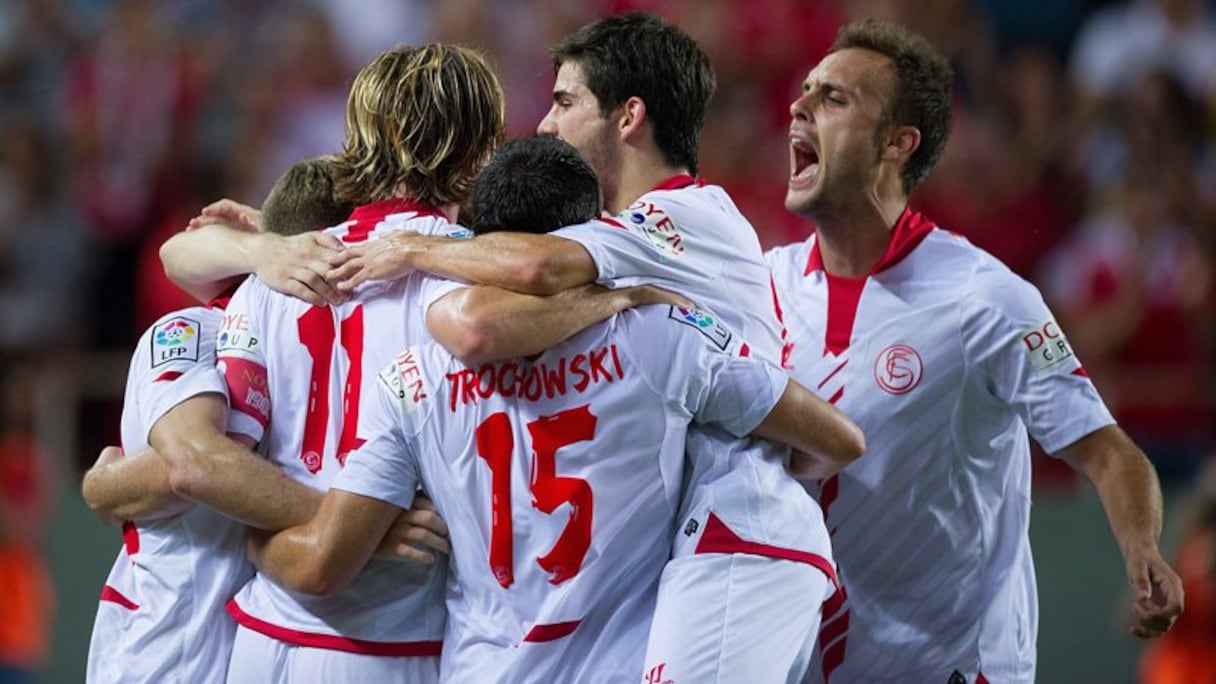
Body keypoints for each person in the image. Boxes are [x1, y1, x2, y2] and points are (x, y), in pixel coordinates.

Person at [316, 13, 847, 681]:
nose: (545, 125)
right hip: (707, 543)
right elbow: (481, 314)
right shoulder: (635, 241)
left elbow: (523, 279)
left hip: (740, 538)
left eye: (565, 102)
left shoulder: (677, 219)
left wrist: (411, 247)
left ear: (628, 117)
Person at [763, 19, 1184, 683]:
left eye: (836, 98)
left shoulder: (985, 298)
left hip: (954, 670)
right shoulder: (762, 288)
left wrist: (1144, 550)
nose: (800, 105)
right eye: (806, 91)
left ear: (898, 144)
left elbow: (1106, 450)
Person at [78, 156, 374, 684]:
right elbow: (193, 465)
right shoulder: (196, 330)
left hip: (260, 647)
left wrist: (108, 483)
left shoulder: (350, 354)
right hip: (167, 653)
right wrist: (354, 524)